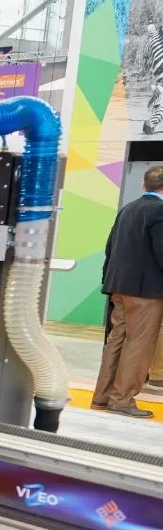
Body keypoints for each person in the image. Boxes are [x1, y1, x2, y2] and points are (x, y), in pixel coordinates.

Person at [92, 166, 163, 418]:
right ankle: (122, 399)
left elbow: (110, 247)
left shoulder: (127, 209)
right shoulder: (160, 211)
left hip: (119, 287)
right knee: (139, 344)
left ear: (144, 185)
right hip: (146, 292)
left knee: (116, 340)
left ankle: (103, 396)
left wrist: (109, 282)